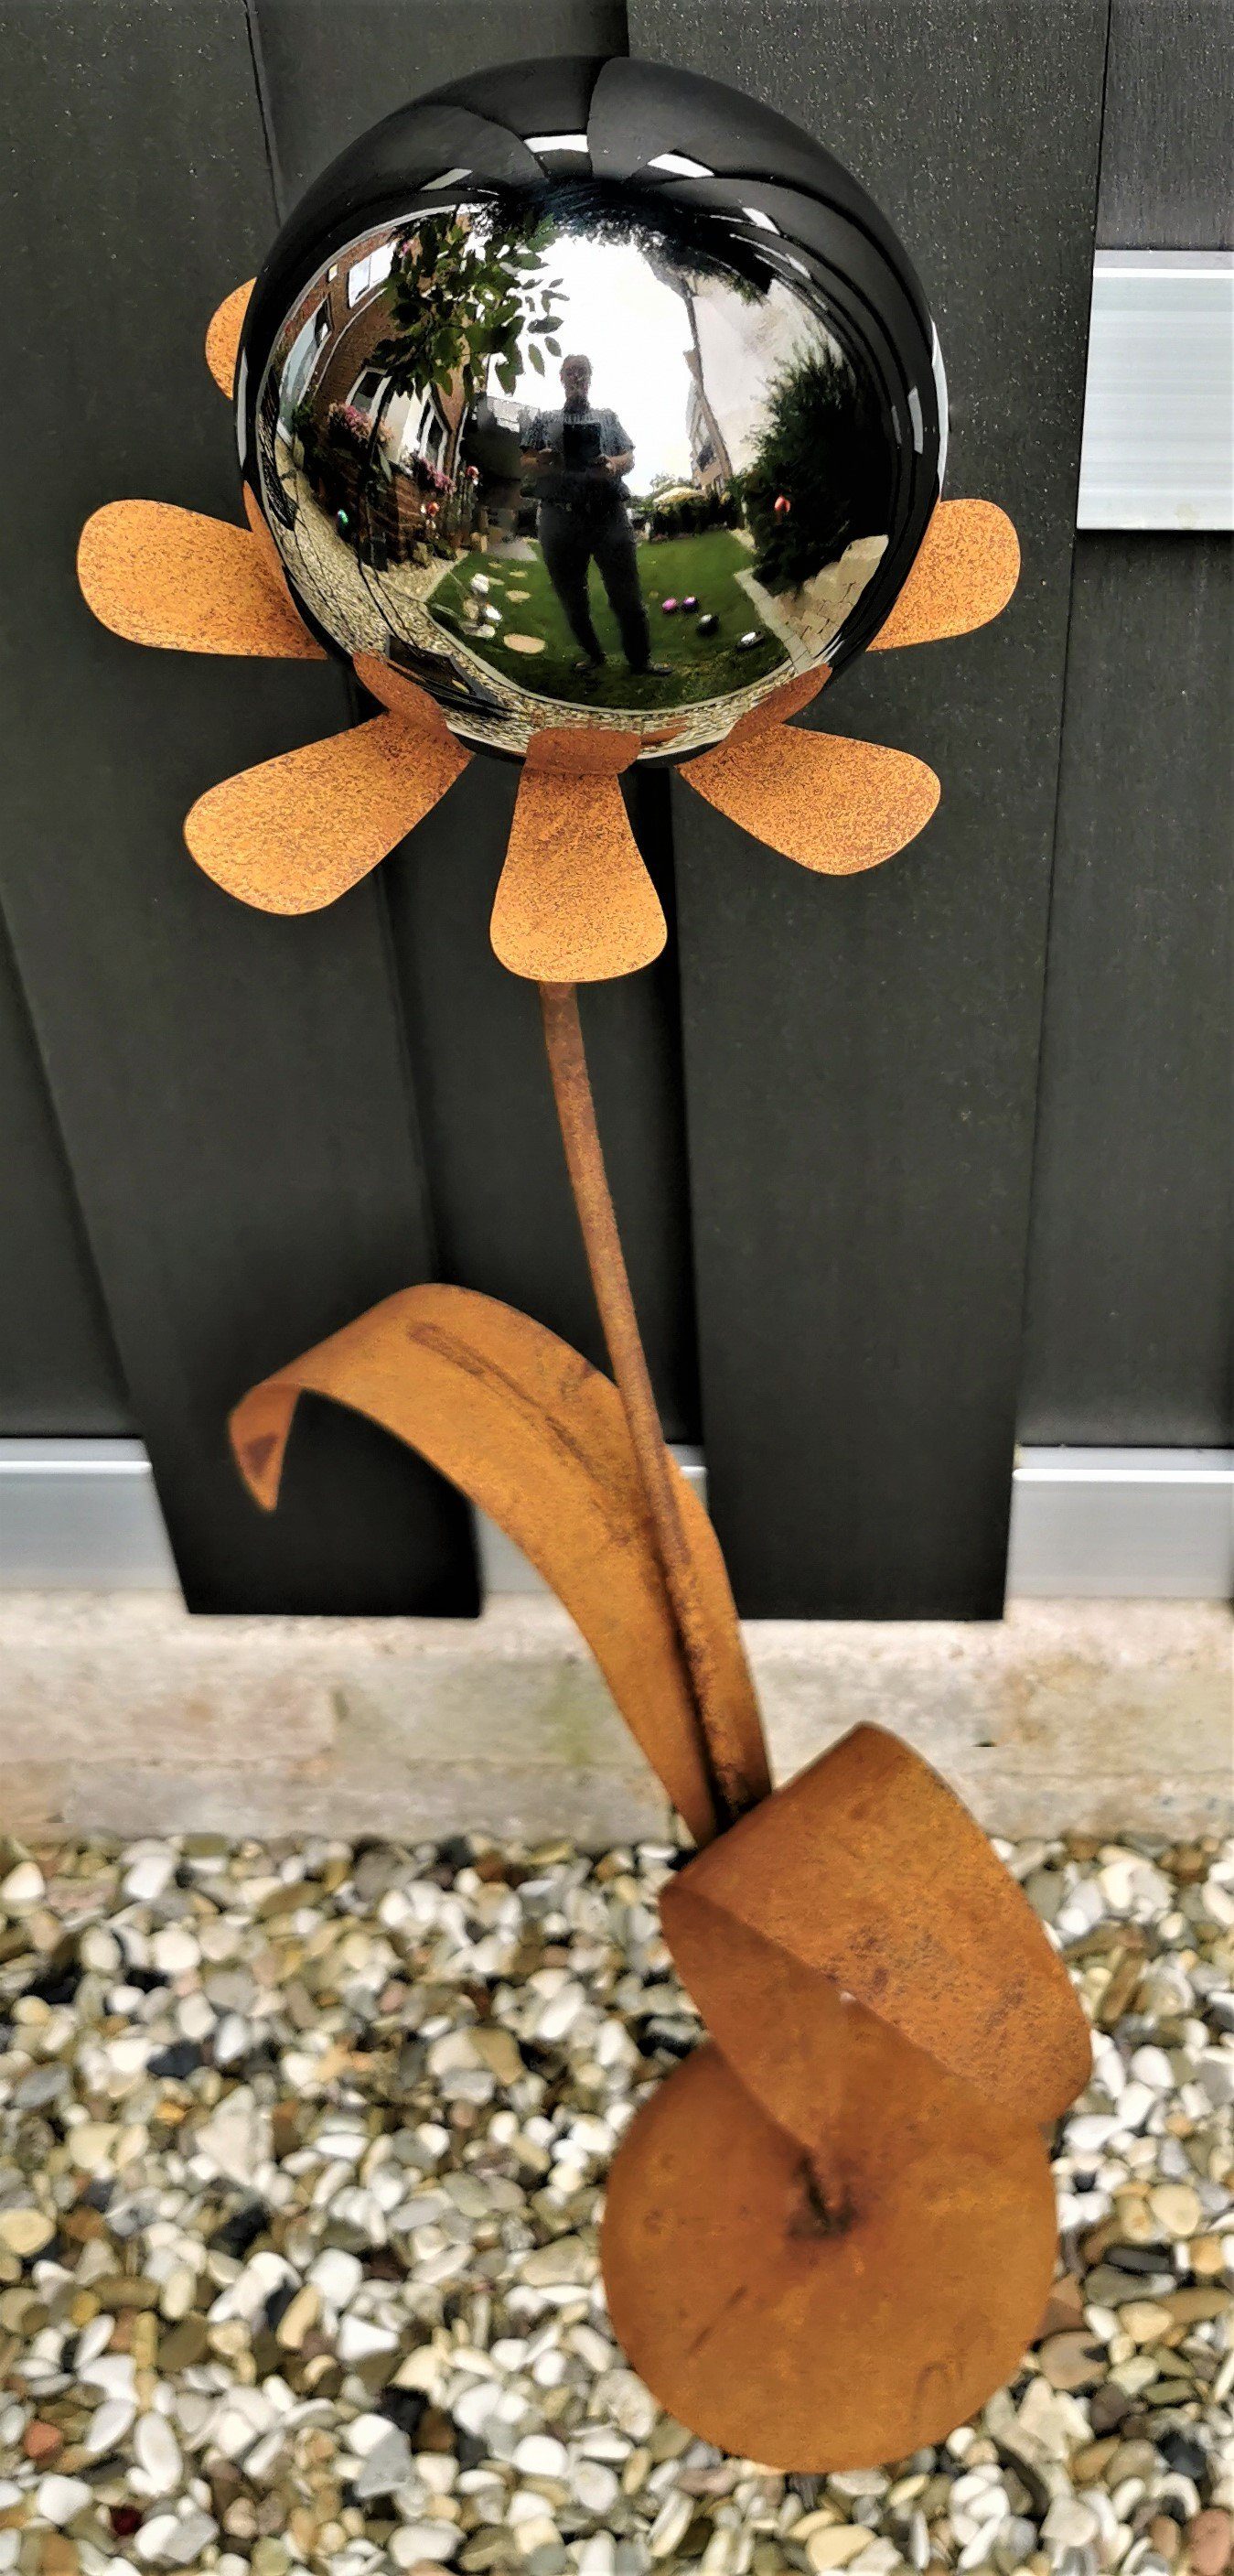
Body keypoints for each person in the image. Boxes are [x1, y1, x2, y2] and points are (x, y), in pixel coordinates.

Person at [521, 354, 670, 678]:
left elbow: (629, 456)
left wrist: (613, 466)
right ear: (561, 377)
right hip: (558, 518)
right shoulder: (544, 419)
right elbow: (525, 460)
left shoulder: (607, 417)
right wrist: (542, 460)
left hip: (608, 515)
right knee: (572, 597)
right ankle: (594, 655)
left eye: (584, 373)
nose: (578, 379)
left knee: (626, 594)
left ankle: (640, 661)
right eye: (572, 373)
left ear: (591, 378)